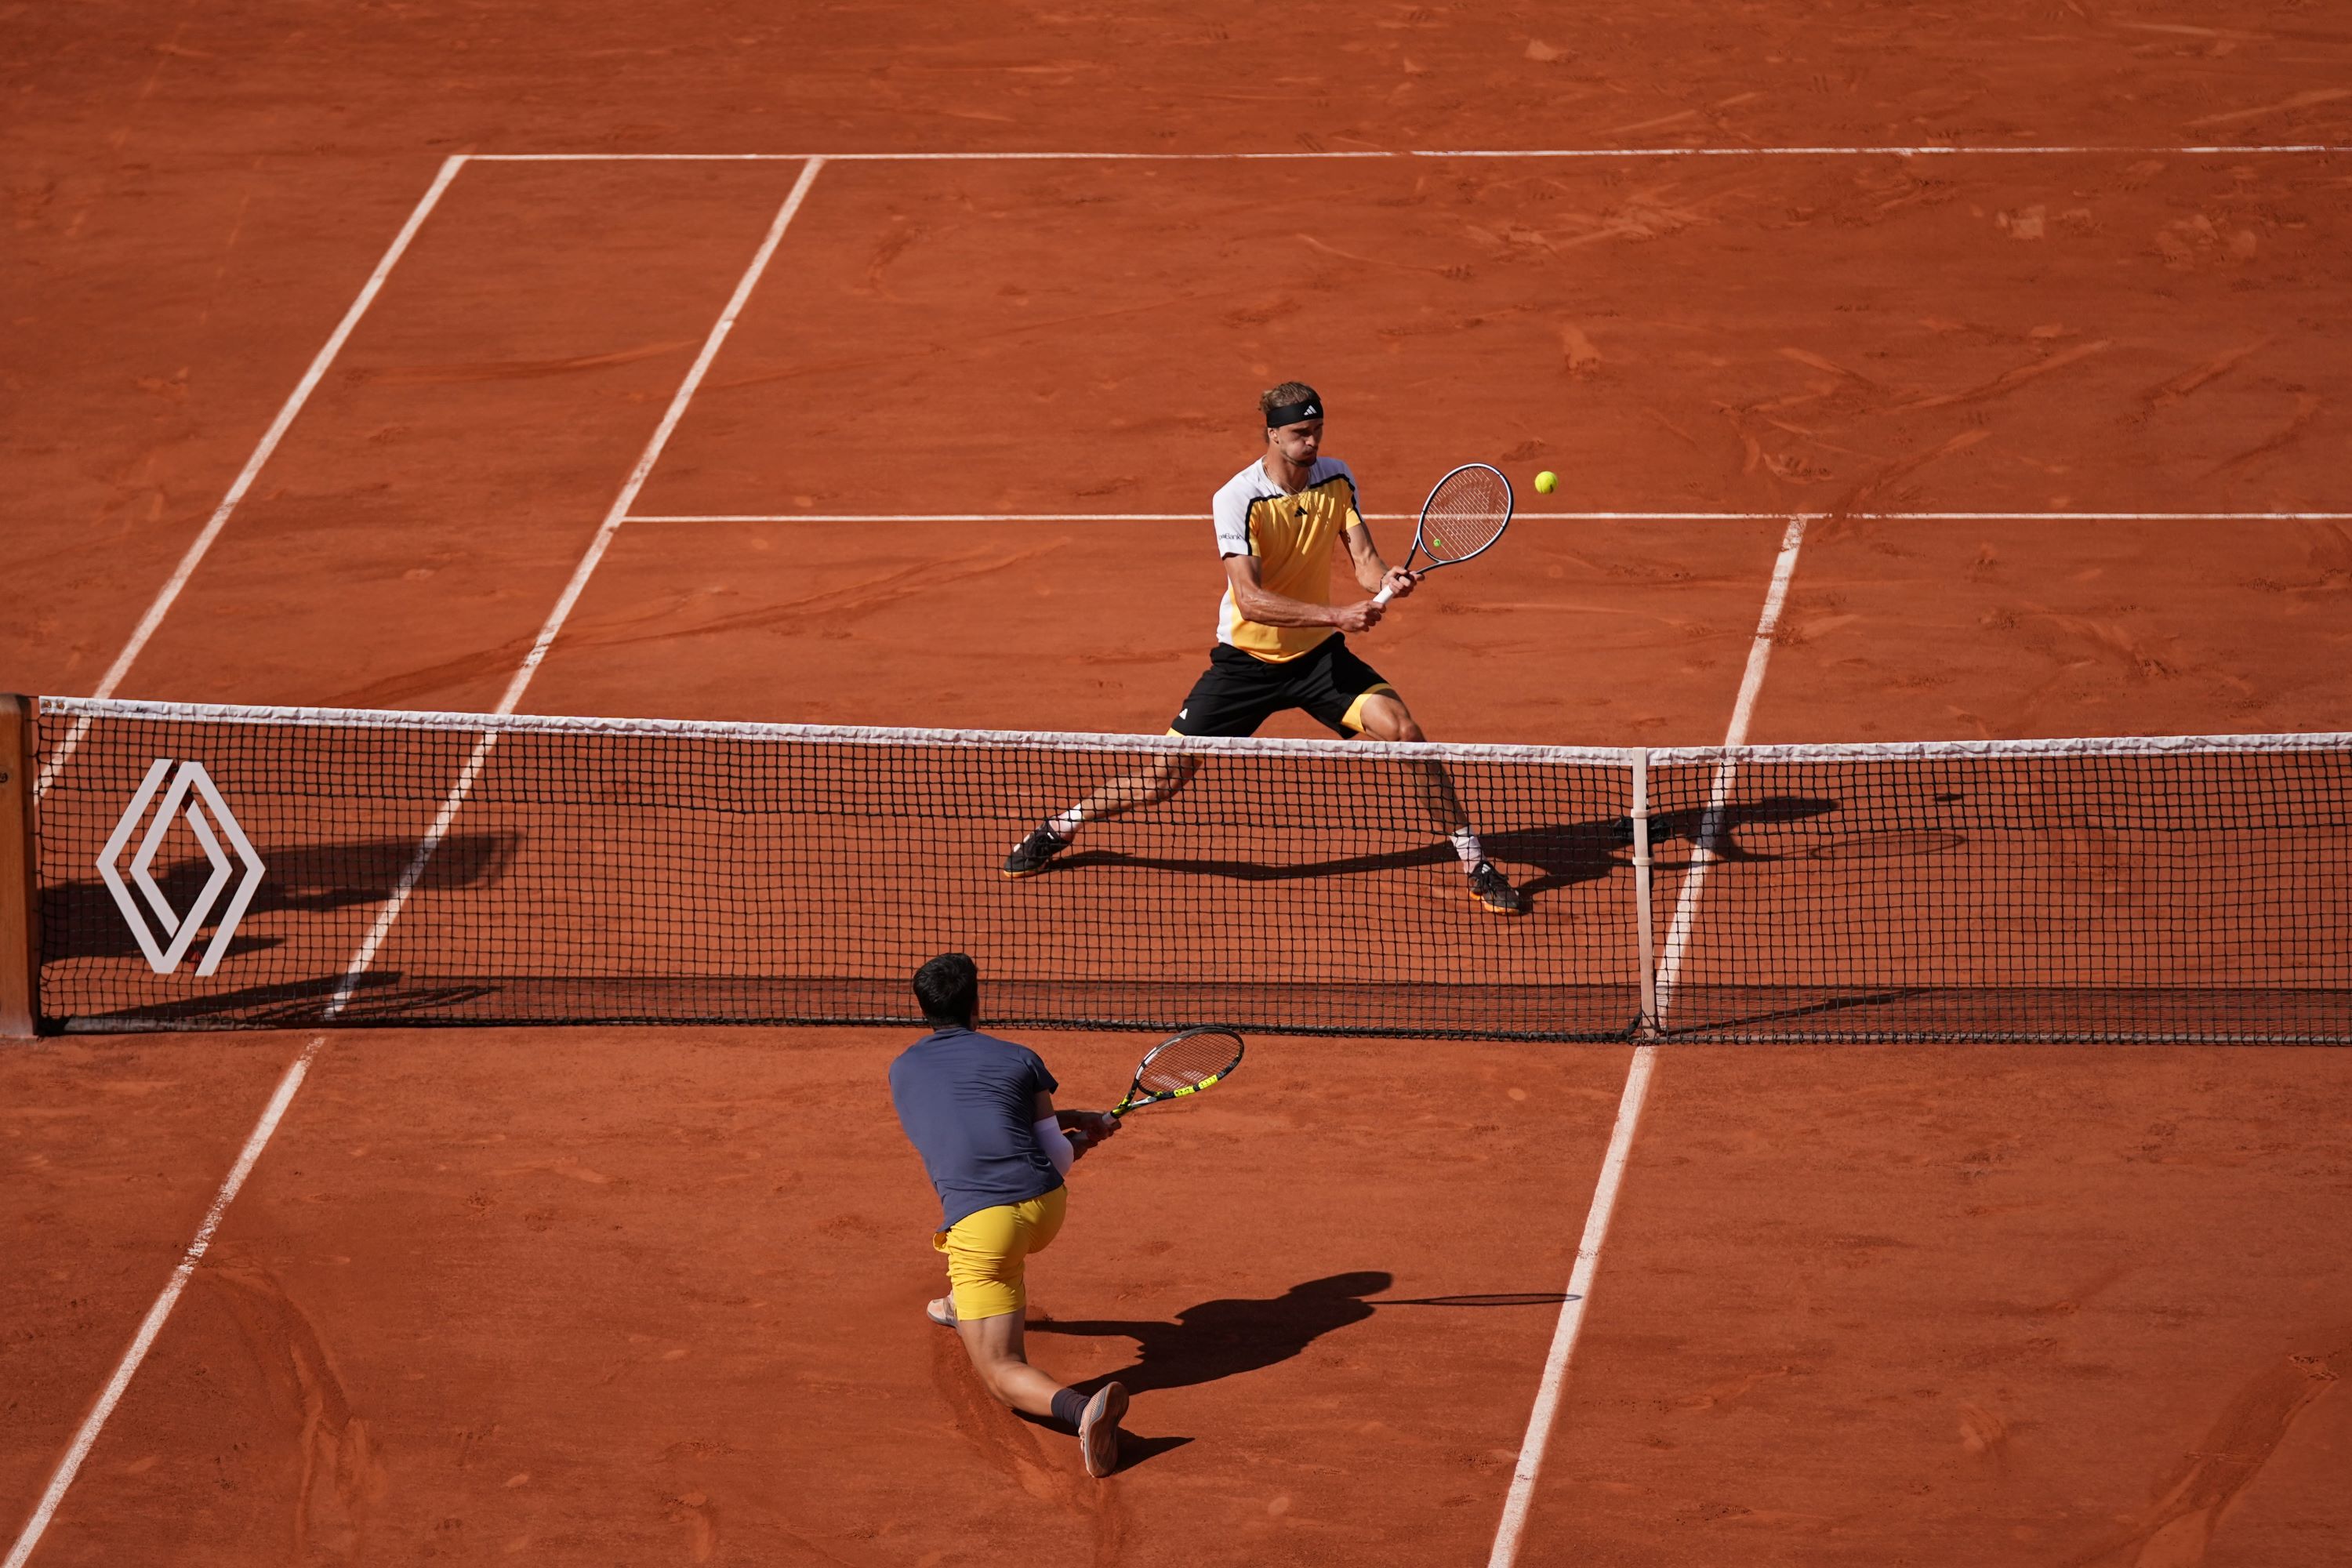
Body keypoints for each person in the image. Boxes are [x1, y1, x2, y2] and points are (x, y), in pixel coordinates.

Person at [1000, 381, 1524, 914]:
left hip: (1318, 659)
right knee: (1164, 778)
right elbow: (1250, 600)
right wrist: (1335, 614)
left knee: (1408, 735)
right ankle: (1060, 826)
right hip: (1246, 665)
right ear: (1272, 433)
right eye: (1300, 433)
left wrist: (1383, 578)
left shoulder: (1337, 478)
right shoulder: (1237, 498)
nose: (1311, 443)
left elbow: (1365, 561)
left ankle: (1473, 860)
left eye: (1318, 431)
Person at [887, 952, 1128, 1476]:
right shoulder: (1019, 1058)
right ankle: (961, 1304)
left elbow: (967, 1114)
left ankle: (1082, 1412)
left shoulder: (902, 1069)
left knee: (999, 1371)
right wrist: (1081, 1133)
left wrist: (1073, 1124)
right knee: (994, 1259)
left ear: (924, 1009)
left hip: (985, 1227)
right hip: (1045, 1206)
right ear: (977, 1003)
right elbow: (1054, 1153)